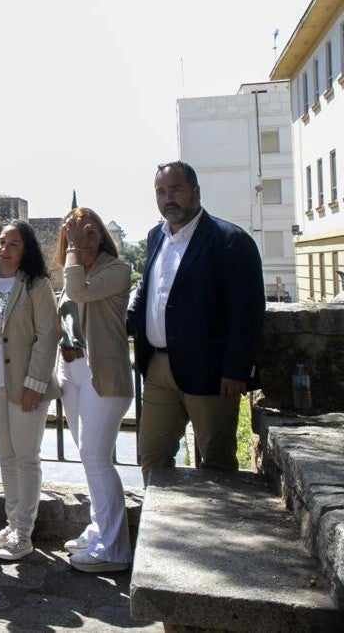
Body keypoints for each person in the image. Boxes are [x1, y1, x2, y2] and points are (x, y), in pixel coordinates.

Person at [128, 161, 265, 482]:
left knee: (217, 464)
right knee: (151, 457)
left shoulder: (230, 240)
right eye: (161, 192)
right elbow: (148, 290)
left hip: (211, 371)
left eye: (176, 189)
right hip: (159, 368)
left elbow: (248, 311)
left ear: (196, 192)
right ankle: (163, 531)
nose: (167, 198)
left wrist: (236, 369)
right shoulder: (155, 237)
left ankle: (220, 531)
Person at [0, 220, 60, 561]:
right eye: (1, 242)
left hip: (24, 384)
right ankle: (11, 525)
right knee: (6, 457)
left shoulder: (35, 284)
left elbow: (48, 336)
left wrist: (35, 384)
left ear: (26, 250)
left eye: (13, 244)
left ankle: (24, 534)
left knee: (26, 457)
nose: (4, 249)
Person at [56, 207, 135, 573]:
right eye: (75, 233)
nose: (83, 238)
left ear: (102, 236)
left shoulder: (117, 271)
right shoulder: (73, 271)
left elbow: (77, 292)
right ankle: (99, 529)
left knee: (96, 456)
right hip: (72, 372)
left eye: (90, 232)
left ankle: (115, 549)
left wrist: (71, 248)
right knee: (88, 458)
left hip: (102, 373)